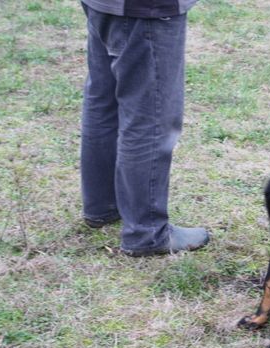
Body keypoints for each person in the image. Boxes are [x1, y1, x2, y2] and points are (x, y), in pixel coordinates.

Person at [79, 0, 209, 256]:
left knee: (104, 100)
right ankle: (146, 231)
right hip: (145, 7)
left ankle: (103, 206)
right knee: (150, 114)